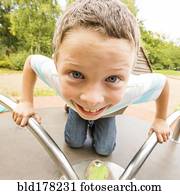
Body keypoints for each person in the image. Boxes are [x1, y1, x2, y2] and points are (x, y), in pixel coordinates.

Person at [12, 0, 170, 156]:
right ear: (57, 64)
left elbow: (162, 83)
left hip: (108, 110)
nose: (92, 100)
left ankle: (95, 117)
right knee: (73, 142)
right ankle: (73, 110)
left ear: (128, 74)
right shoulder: (54, 73)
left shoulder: (132, 88)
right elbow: (31, 62)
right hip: (77, 105)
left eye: (113, 78)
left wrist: (160, 119)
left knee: (104, 149)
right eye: (77, 74)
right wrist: (26, 101)